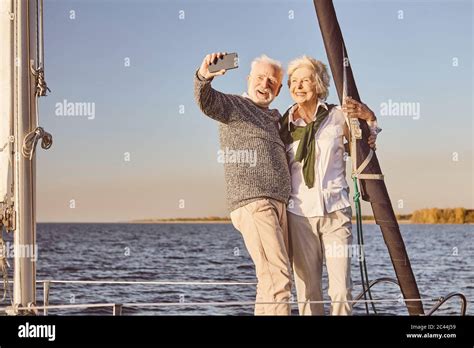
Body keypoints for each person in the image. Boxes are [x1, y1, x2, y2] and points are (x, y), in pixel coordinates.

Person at [279, 55, 380, 315]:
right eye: (293, 81)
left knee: (341, 290)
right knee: (308, 290)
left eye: (305, 80)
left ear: (319, 84)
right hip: (298, 213)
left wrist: (369, 116)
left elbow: (366, 137)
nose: (298, 86)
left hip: (336, 211)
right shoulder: (284, 124)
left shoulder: (337, 116)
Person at [194, 52, 292, 315]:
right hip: (254, 202)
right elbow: (205, 100)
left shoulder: (275, 117)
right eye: (260, 78)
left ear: (279, 88)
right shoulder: (235, 106)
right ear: (249, 79)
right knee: (279, 276)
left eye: (272, 82)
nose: (265, 85)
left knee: (270, 280)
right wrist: (205, 75)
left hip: (280, 204)